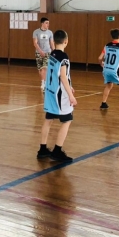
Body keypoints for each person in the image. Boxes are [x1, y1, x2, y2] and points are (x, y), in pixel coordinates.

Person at [38, 30, 77, 163]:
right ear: (66, 41)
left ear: (53, 41)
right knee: (67, 120)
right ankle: (57, 151)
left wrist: (69, 86)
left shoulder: (52, 54)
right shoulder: (64, 57)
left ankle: (42, 149)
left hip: (50, 91)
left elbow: (55, 73)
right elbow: (63, 77)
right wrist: (71, 95)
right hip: (59, 95)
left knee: (48, 119)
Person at [33, 17, 55, 92]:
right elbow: (35, 43)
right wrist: (40, 51)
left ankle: (44, 84)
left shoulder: (50, 32)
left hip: (47, 52)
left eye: (48, 23)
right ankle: (42, 81)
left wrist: (54, 51)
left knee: (45, 68)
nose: (48, 24)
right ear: (42, 23)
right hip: (39, 53)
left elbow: (51, 43)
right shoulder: (36, 32)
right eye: (46, 23)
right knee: (40, 69)